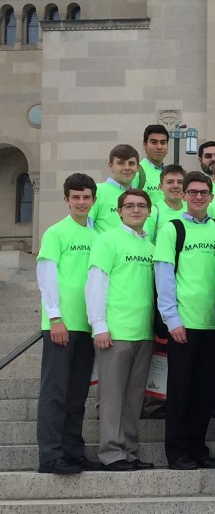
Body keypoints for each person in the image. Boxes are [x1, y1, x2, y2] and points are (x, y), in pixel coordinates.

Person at [154, 171, 215, 471]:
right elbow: (164, 276)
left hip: (214, 325)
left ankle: (198, 446)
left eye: (203, 192)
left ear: (211, 195)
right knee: (180, 391)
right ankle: (178, 451)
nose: (197, 197)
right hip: (184, 324)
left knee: (205, 393)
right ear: (182, 195)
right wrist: (173, 320)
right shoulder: (173, 229)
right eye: (192, 192)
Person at [85, 188, 156, 471]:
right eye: (129, 206)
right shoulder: (107, 241)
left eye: (141, 206)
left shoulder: (150, 247)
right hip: (115, 333)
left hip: (143, 332)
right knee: (112, 397)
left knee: (134, 397)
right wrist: (99, 325)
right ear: (119, 211)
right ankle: (111, 453)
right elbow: (96, 284)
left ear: (149, 211)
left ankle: (129, 450)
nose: (136, 210)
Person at [35, 173, 101, 474]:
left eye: (86, 197)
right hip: (61, 326)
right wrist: (55, 317)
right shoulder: (56, 233)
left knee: (77, 394)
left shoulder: (97, 236)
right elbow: (46, 275)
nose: (81, 202)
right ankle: (50, 455)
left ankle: (73, 451)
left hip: (87, 326)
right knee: (55, 393)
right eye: (75, 197)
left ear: (94, 200)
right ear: (66, 200)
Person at [89, 144, 140, 234]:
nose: (127, 168)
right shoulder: (97, 191)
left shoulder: (140, 196)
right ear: (111, 166)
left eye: (131, 163)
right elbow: (87, 227)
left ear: (137, 167)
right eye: (121, 163)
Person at [144, 164, 186, 242]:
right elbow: (146, 242)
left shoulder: (191, 210)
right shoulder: (153, 212)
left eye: (180, 182)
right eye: (170, 182)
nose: (176, 186)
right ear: (161, 187)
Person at [135, 125, 169, 203]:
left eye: (163, 142)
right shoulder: (137, 172)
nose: (159, 147)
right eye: (154, 142)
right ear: (145, 145)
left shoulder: (171, 173)